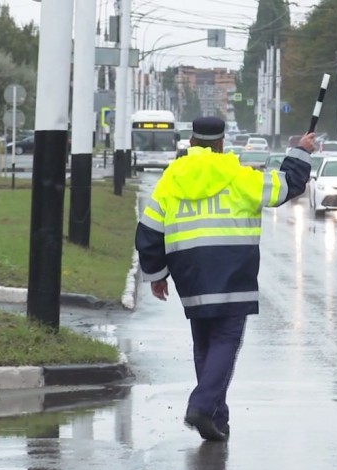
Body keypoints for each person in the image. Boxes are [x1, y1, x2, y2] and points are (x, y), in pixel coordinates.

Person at [135, 116, 314, 442]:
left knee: (204, 345)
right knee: (225, 342)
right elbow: (288, 185)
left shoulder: (171, 178)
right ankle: (202, 406)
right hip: (231, 272)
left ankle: (217, 418)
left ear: (191, 143)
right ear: (221, 144)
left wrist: (157, 274)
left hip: (189, 274)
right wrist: (300, 151)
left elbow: (148, 230)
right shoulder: (238, 175)